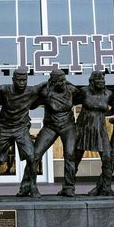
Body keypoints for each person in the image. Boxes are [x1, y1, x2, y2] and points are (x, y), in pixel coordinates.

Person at [0, 67, 43, 197]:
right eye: (19, 80)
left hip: (21, 129)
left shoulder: (31, 91)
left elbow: (47, 83)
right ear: (13, 80)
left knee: (31, 157)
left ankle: (33, 186)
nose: (22, 83)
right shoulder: (4, 89)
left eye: (24, 80)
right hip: (5, 128)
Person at [32, 67, 81, 197]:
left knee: (70, 154)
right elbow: (31, 105)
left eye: (63, 80)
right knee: (35, 154)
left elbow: (83, 99)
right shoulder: (46, 92)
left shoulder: (71, 90)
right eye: (59, 81)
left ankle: (68, 187)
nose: (62, 83)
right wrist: (40, 89)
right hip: (50, 127)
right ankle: (27, 186)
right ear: (52, 82)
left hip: (68, 126)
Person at [74, 69, 114, 196]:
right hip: (83, 128)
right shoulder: (84, 92)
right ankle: (68, 186)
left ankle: (106, 187)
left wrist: (109, 115)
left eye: (103, 79)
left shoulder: (109, 94)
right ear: (92, 81)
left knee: (107, 158)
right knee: (75, 158)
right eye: (98, 79)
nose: (101, 81)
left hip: (100, 129)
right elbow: (70, 101)